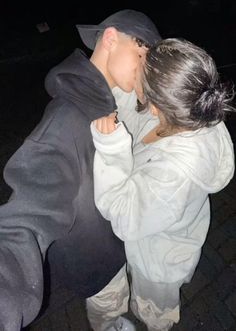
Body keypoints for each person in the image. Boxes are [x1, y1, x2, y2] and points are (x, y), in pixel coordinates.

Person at [0, 10, 161, 330]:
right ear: (112, 39)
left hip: (113, 243)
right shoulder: (69, 115)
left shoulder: (103, 101)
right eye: (142, 54)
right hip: (97, 263)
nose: (146, 70)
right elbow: (28, 213)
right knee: (111, 312)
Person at [90, 38, 235, 331]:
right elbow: (140, 119)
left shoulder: (175, 174)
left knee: (154, 309)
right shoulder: (187, 109)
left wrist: (111, 148)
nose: (137, 62)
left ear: (156, 107)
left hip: (159, 263)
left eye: (140, 71)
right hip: (159, 236)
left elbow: (123, 217)